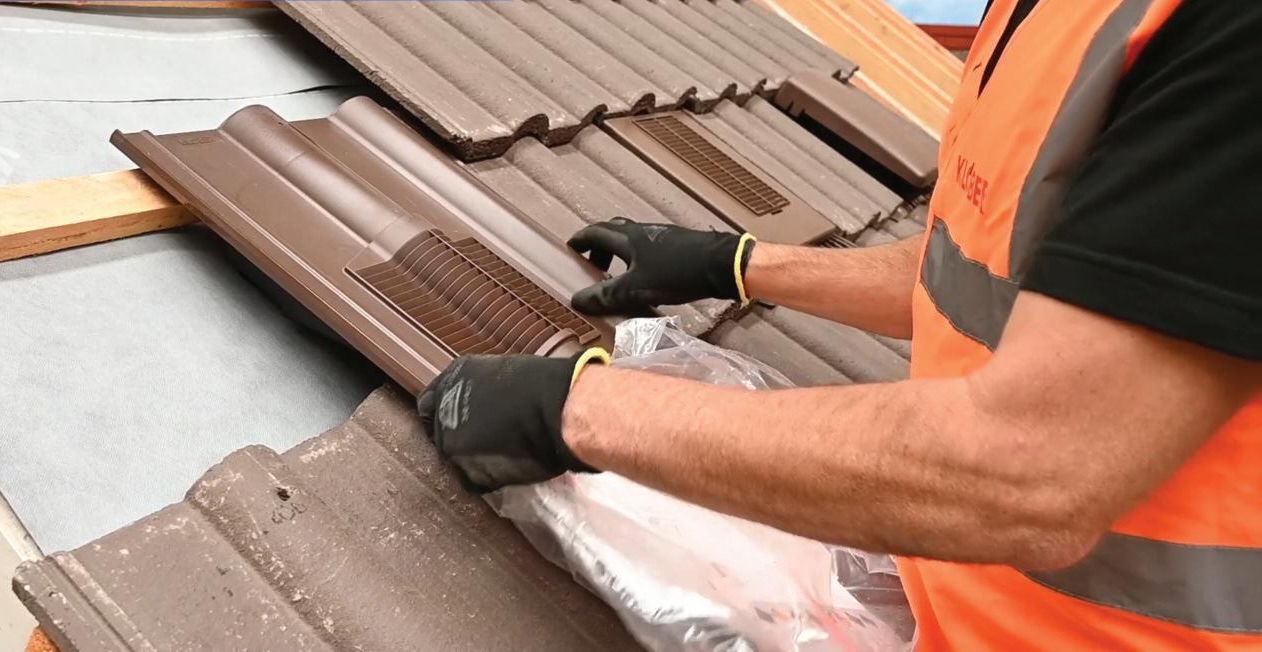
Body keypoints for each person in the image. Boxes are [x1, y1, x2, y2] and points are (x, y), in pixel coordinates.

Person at [417, 0, 1262, 648]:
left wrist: (576, 412)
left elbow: (1028, 473)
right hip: (949, 605)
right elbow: (981, 269)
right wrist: (737, 264)